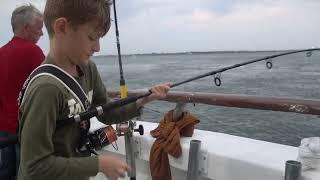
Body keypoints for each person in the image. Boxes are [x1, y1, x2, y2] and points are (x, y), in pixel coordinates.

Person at [17, 0, 170, 180]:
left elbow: (106, 112)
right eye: (91, 37)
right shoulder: (45, 89)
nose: (97, 47)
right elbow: (34, 166)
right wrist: (98, 164)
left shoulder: (88, 70)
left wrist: (143, 99)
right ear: (61, 27)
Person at [0, 4, 45, 180]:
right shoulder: (34, 53)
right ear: (26, 28)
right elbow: (49, 88)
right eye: (39, 28)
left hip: (3, 128)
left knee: (5, 172)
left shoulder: (1, 53)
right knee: (25, 174)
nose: (42, 33)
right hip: (25, 130)